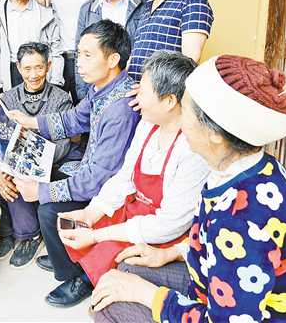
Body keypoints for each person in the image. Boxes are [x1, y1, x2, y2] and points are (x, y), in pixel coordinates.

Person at [89, 55, 286, 323]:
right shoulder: (245, 167)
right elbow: (212, 242)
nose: (179, 118)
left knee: (110, 306)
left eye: (185, 110)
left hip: (253, 315)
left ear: (215, 135)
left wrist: (147, 295)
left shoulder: (241, 220)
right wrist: (171, 253)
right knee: (124, 271)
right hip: (216, 284)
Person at [9, 20, 140, 307]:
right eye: (79, 54)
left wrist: (40, 191)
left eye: (87, 55)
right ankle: (66, 255)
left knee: (48, 209)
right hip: (92, 171)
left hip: (113, 191)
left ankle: (79, 275)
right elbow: (74, 120)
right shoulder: (102, 89)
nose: (78, 62)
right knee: (48, 181)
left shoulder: (121, 108)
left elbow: (97, 180)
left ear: (113, 59)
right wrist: (30, 122)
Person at [57, 51, 209, 287]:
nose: (136, 95)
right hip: (136, 209)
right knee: (82, 222)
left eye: (143, 91)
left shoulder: (191, 149)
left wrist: (96, 236)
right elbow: (125, 177)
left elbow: (169, 224)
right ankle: (87, 276)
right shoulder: (148, 125)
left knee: (109, 247)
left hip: (163, 230)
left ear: (169, 101)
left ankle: (92, 281)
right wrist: (92, 212)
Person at [0, 42, 81, 268]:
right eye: (27, 68)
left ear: (48, 66)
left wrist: (29, 165)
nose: (33, 75)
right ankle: (6, 232)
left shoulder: (61, 98)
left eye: (39, 67)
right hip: (11, 162)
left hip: (48, 163)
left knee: (21, 182)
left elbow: (63, 145)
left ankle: (30, 235)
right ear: (18, 68)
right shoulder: (7, 99)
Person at [75, 0, 152, 100]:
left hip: (136, 88)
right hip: (98, 91)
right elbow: (80, 52)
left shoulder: (146, 4)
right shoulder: (87, 9)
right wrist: (84, 97)